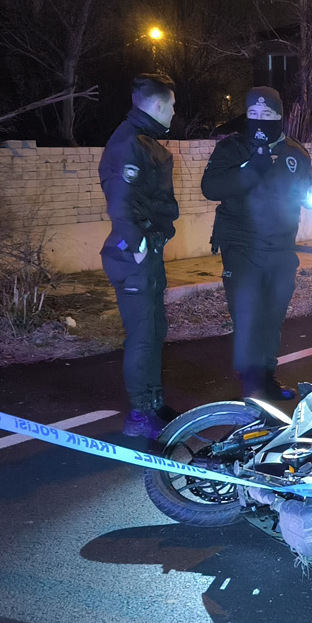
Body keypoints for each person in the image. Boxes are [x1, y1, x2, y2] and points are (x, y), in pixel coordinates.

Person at [201, 87, 312, 400]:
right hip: (241, 244)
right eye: (254, 114)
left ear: (279, 116)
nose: (260, 120)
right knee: (247, 312)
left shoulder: (294, 153)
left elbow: (308, 187)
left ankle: (267, 377)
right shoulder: (232, 149)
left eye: (267, 114)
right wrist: (250, 170)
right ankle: (250, 383)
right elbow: (210, 187)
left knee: (272, 314)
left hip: (281, 246)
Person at [98, 73, 180, 439]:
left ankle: (153, 403)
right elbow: (121, 205)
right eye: (172, 105)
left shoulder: (142, 140)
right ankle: (139, 415)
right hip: (132, 257)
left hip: (146, 253)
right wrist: (140, 248)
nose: (175, 112)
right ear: (159, 105)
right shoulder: (130, 144)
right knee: (143, 337)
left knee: (153, 331)